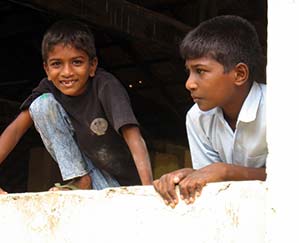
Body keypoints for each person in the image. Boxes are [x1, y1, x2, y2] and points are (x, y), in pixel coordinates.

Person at [0, 19, 153, 193]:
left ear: (92, 65)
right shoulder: (47, 87)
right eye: (57, 64)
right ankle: (79, 178)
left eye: (77, 62)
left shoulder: (106, 86)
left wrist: (147, 192)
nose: (67, 72)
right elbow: (15, 130)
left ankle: (83, 181)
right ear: (47, 70)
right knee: (41, 105)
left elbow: (133, 137)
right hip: (87, 172)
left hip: (119, 185)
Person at [153, 15, 267, 208]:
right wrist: (192, 174)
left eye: (201, 71)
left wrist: (225, 171)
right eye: (188, 71)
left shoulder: (281, 108)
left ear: (239, 74)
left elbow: (290, 177)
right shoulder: (197, 117)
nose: (189, 83)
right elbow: (212, 183)